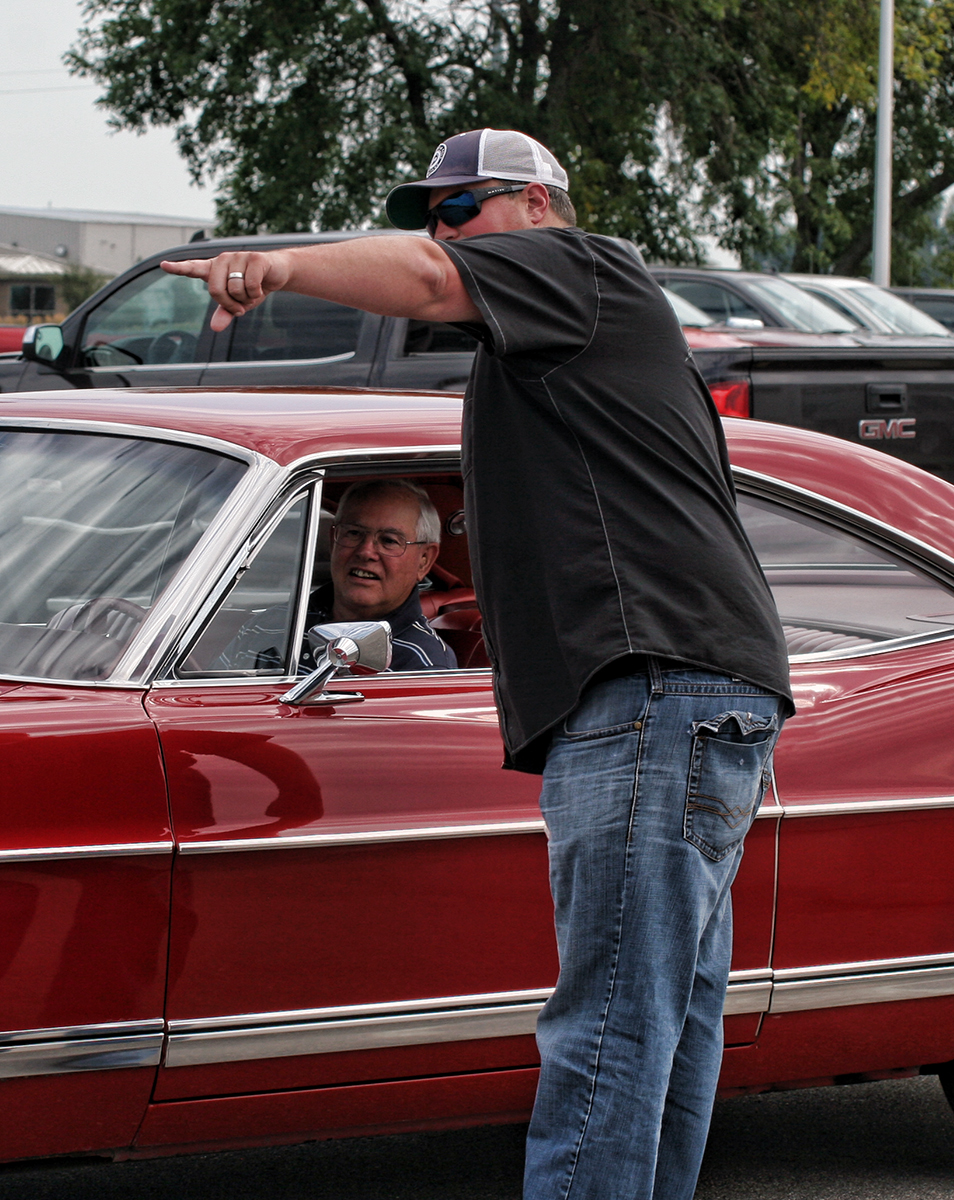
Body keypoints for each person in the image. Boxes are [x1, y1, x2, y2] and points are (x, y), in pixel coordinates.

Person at [162, 127, 792, 1200]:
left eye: (463, 209)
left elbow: (421, 277)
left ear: (538, 206)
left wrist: (277, 264)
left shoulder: (584, 268)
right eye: (431, 211)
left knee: (608, 1029)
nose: (441, 229)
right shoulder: (553, 355)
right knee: (663, 1017)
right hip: (686, 691)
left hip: (649, 692)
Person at [309, 478, 456, 671]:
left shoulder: (423, 665)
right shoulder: (278, 622)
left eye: (389, 540)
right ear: (333, 540)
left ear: (424, 561)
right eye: (354, 533)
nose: (366, 552)